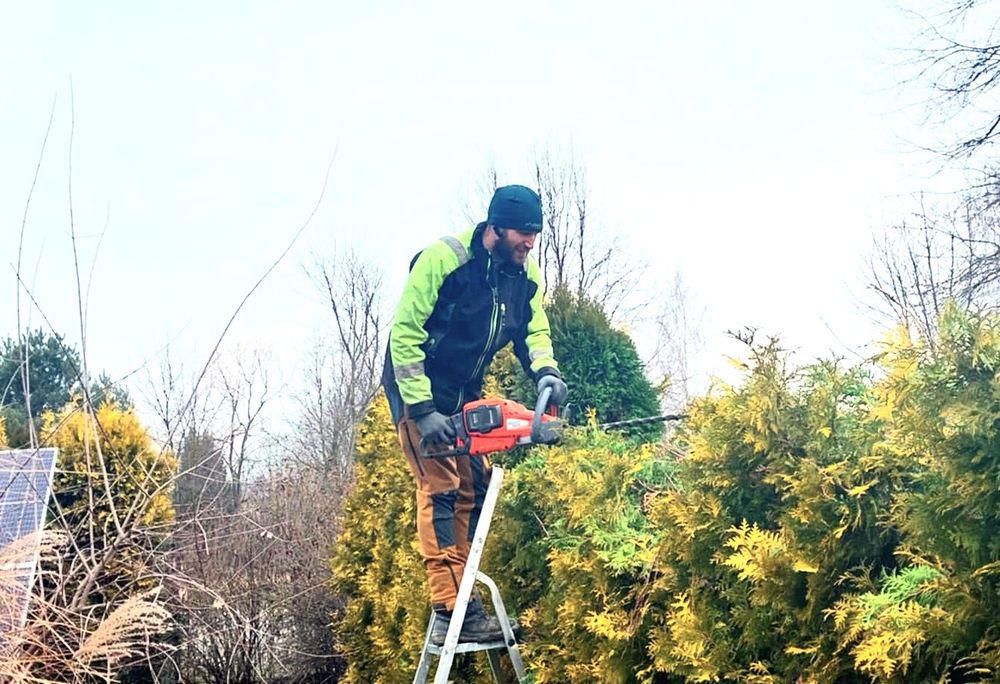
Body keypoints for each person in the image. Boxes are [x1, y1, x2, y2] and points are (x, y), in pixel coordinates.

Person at [382, 184, 568, 645]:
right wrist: (422, 411)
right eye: (523, 234)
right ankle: (450, 610)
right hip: (420, 390)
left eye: (534, 235)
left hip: (466, 394)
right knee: (442, 489)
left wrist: (546, 372)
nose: (529, 243)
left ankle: (466, 600)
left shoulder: (523, 275)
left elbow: (534, 329)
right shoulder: (445, 261)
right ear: (495, 228)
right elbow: (404, 334)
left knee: (475, 488)